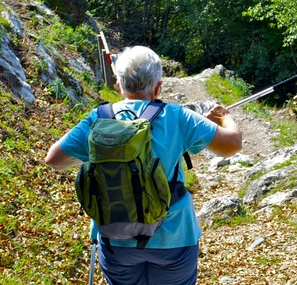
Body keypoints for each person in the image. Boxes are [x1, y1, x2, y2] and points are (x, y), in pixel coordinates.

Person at [45, 45, 242, 284]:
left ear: (119, 85)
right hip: (174, 238)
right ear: (158, 87)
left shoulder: (98, 119)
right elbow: (232, 144)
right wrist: (225, 118)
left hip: (114, 237)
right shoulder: (177, 117)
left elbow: (54, 159)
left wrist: (94, 151)